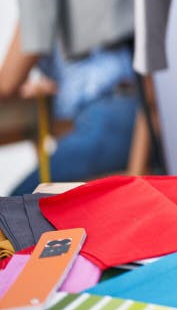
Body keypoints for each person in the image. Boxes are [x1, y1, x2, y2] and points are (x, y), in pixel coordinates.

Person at [0, 23, 138, 195]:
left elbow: (6, 85)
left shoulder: (38, 10)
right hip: (136, 107)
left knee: (16, 202)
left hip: (110, 116)